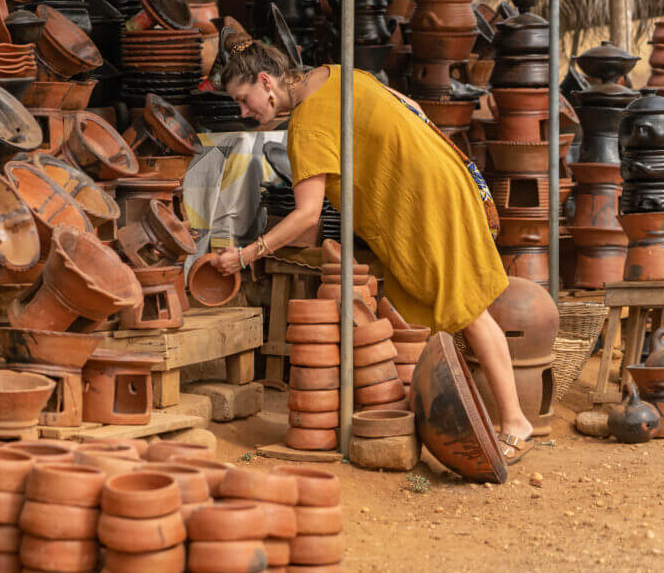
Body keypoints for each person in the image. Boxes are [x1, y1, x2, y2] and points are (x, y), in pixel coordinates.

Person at [211, 32, 534, 463]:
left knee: (468, 310)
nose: (244, 111)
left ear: (267, 82)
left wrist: (247, 254)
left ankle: (516, 423)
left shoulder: (306, 125)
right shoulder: (336, 74)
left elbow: (307, 216)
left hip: (426, 204)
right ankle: (434, 414)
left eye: (243, 98)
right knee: (430, 307)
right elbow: (413, 108)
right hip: (442, 180)